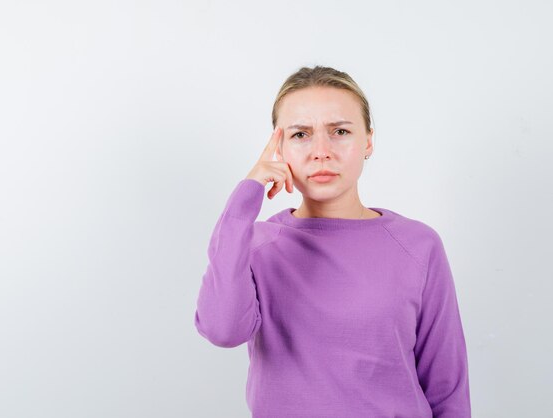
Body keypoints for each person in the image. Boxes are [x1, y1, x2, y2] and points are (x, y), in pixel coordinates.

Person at [194, 65, 471, 418]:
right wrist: (246, 195)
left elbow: (448, 388)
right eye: (300, 134)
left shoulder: (418, 245)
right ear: (277, 146)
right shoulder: (256, 246)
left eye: (340, 131)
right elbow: (222, 329)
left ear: (368, 140)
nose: (321, 151)